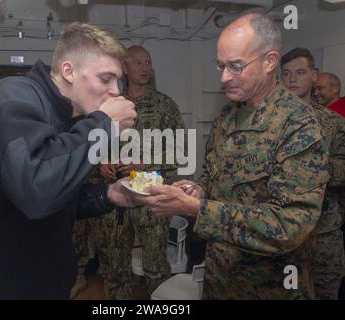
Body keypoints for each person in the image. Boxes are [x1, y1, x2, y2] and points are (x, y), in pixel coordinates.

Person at [137, 12, 329, 299]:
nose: (225, 77)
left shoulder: (298, 123)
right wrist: (196, 189)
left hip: (269, 286)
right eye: (221, 66)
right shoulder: (228, 115)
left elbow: (289, 225)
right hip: (219, 276)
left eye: (236, 66)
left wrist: (195, 209)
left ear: (269, 61)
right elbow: (216, 177)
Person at [0, 22, 138, 299]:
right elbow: (37, 192)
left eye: (119, 81)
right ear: (68, 71)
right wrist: (105, 124)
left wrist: (109, 195)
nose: (116, 91)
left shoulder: (64, 116)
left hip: (40, 280)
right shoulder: (11, 97)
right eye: (106, 79)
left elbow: (58, 197)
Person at [77, 45, 185, 299]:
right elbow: (86, 145)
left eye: (148, 63)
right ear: (124, 68)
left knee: (155, 265)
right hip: (111, 200)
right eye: (137, 63)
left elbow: (180, 151)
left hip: (149, 196)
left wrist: (143, 164)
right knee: (114, 266)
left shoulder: (164, 106)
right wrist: (100, 163)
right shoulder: (108, 106)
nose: (144, 68)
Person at [281, 47, 345, 299]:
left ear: (314, 75)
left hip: (323, 230)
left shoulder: (333, 122)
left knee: (325, 293)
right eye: (286, 74)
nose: (292, 79)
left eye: (300, 72)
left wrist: (318, 168)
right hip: (283, 232)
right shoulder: (267, 122)